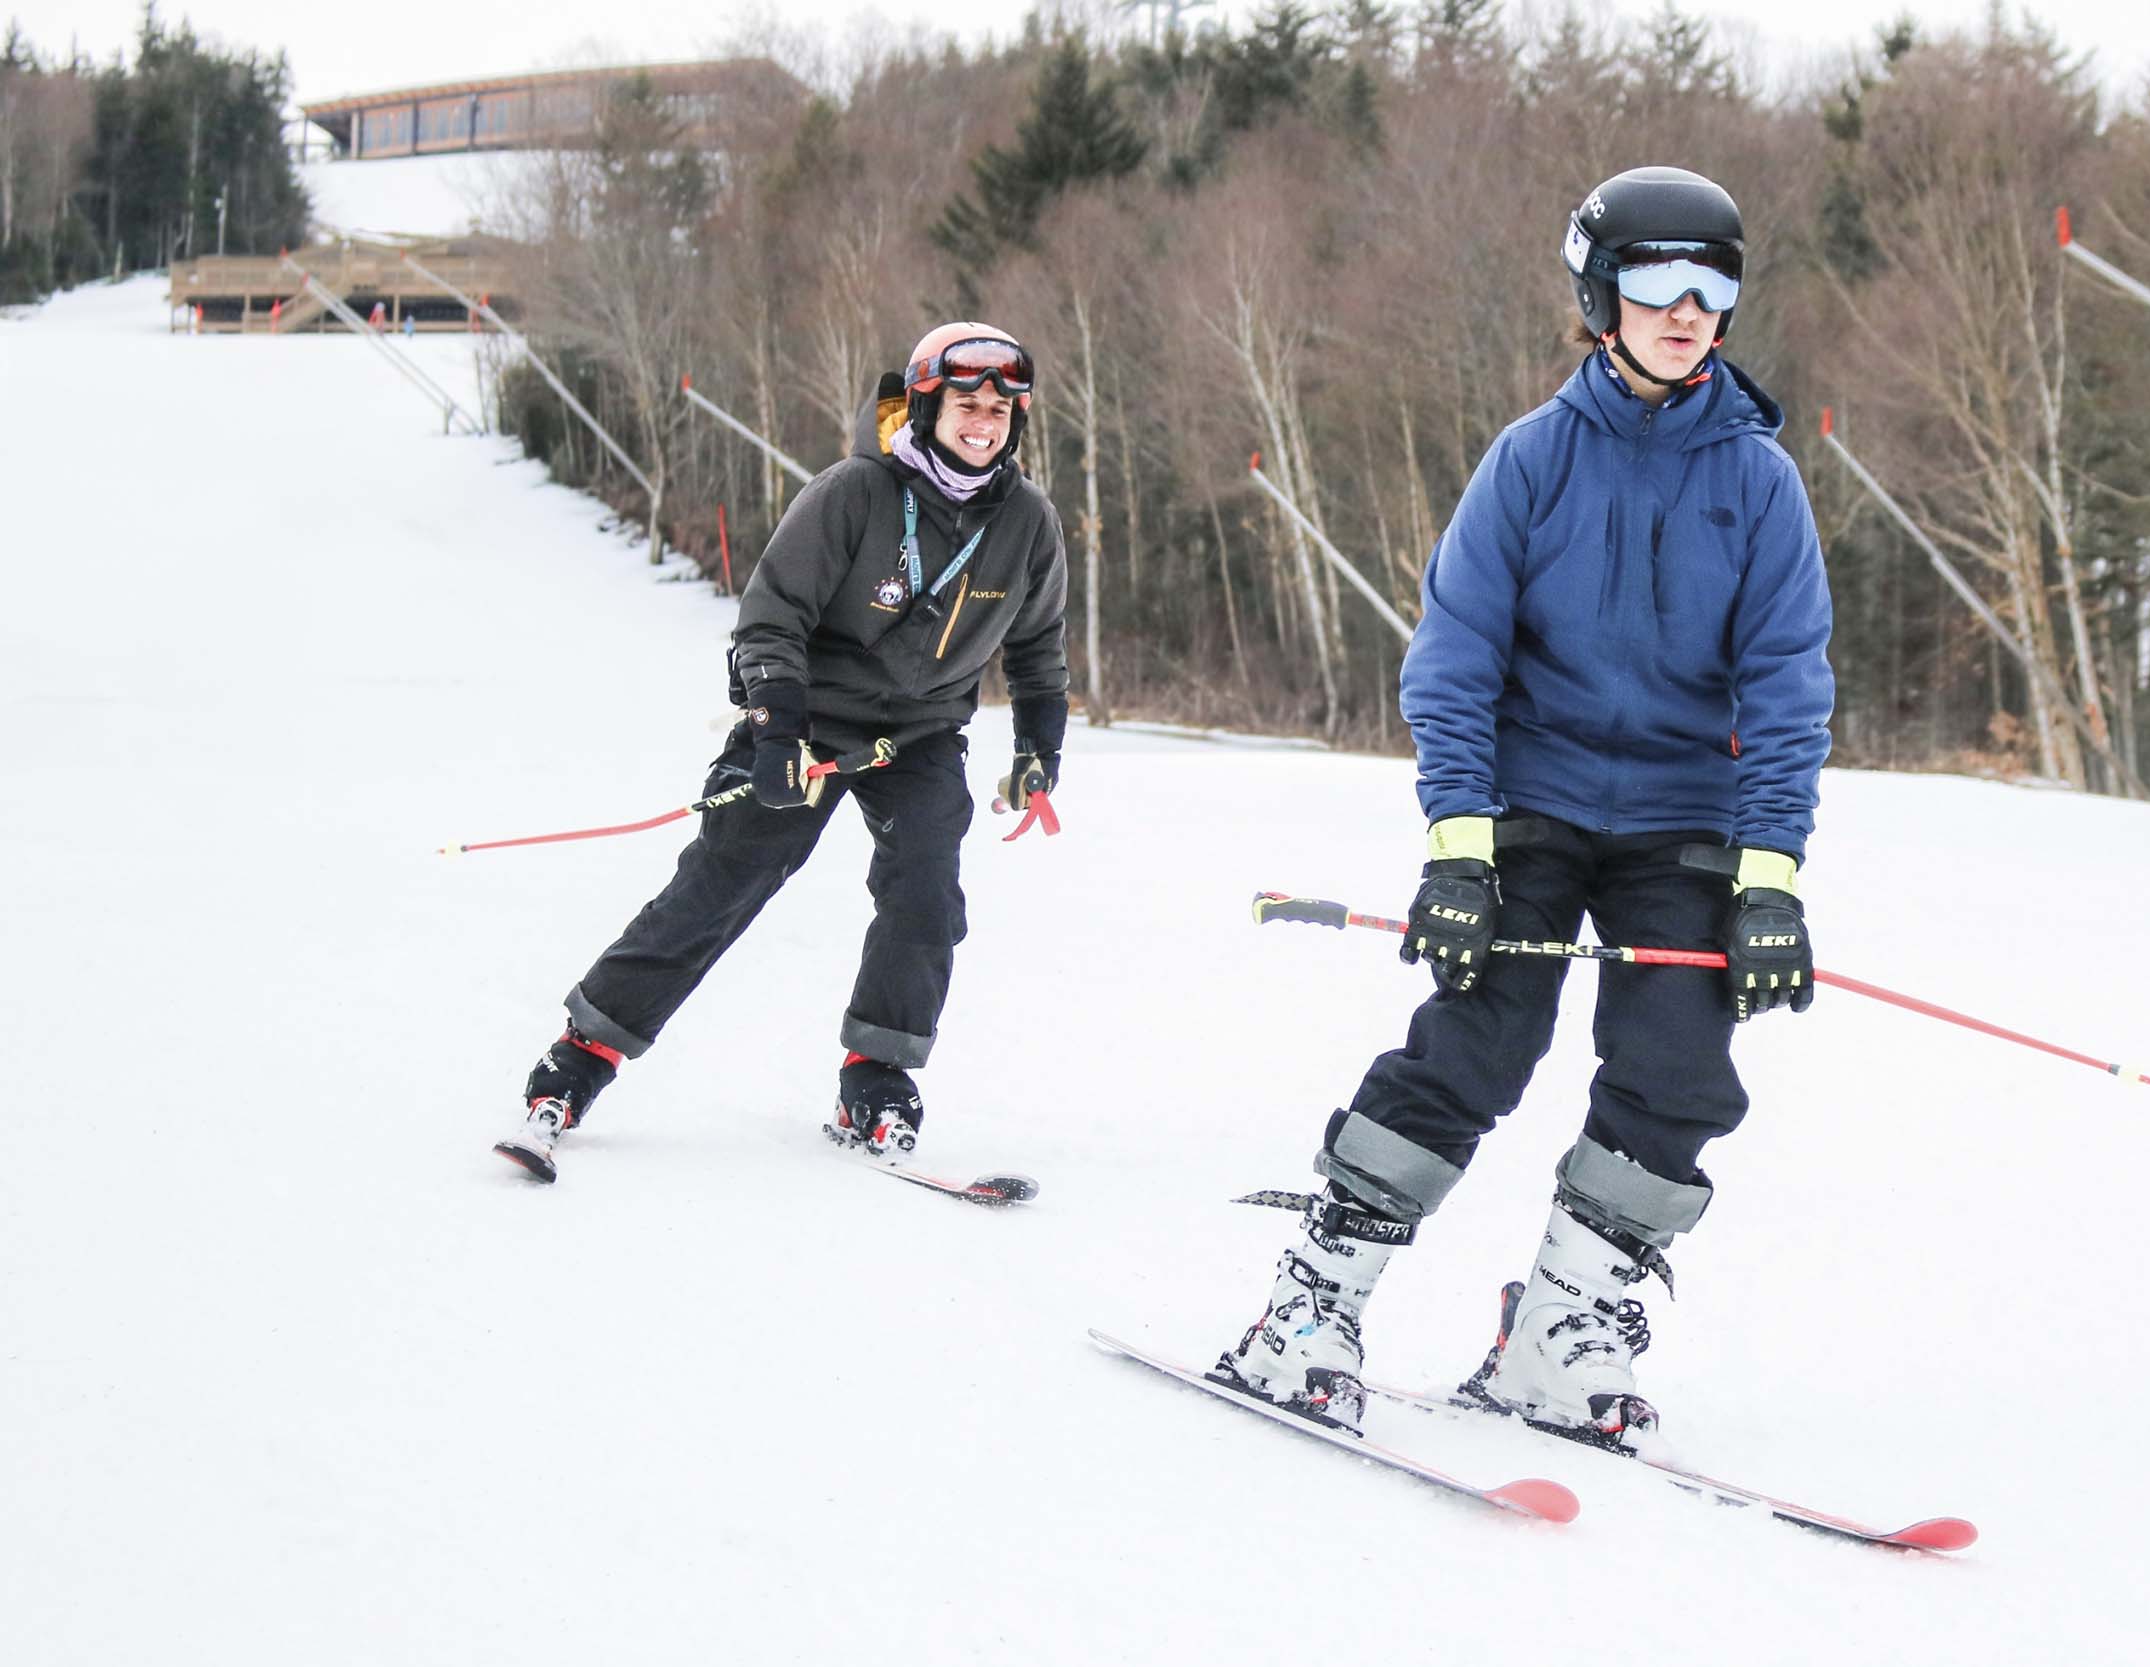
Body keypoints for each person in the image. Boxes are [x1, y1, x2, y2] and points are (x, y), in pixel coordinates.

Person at [1218, 167, 1834, 1443]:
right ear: (1600, 299)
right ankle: (1310, 1306)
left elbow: (1787, 685)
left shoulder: (1760, 485)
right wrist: (1458, 853)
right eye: (1657, 285)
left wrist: (1769, 878)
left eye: (1713, 287)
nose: (1686, 310)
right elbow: (1451, 662)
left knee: (1676, 1068)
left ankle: (1561, 1332)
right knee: (1476, 1042)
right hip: (1533, 804)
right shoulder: (1532, 461)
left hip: (1682, 819)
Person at [494, 323, 1070, 1183]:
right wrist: (775, 731)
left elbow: (1037, 647)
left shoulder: (1028, 522)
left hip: (919, 737)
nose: (982, 422)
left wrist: (1037, 746)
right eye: (965, 405)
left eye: (998, 409)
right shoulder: (856, 493)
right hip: (810, 723)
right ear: (927, 405)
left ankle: (873, 1078)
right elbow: (772, 616)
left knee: (924, 890)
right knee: (727, 879)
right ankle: (579, 1059)